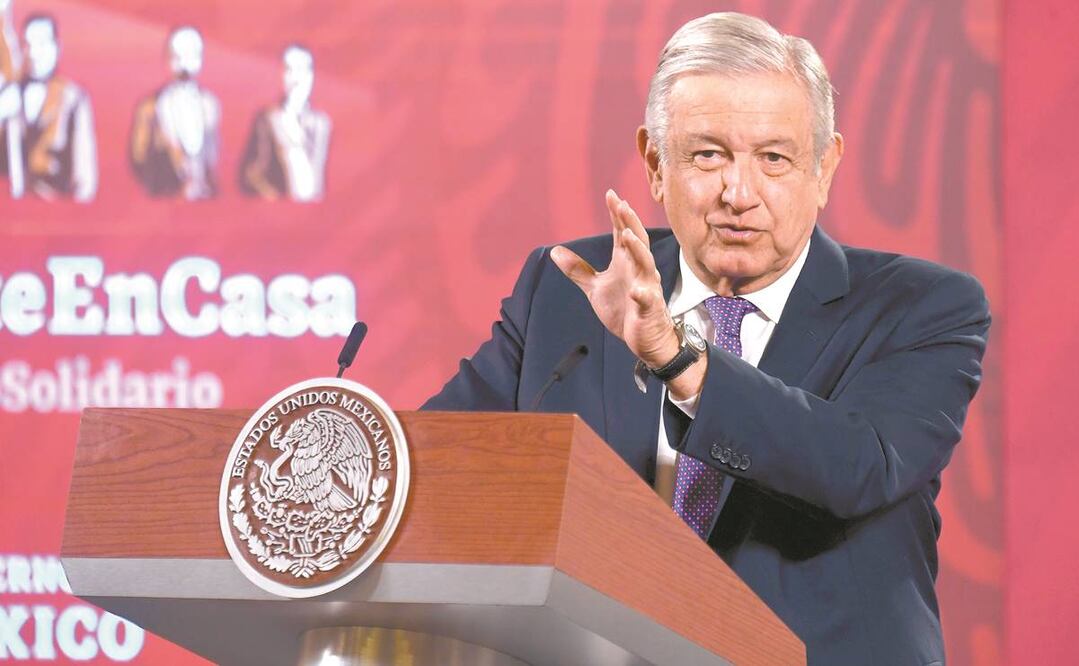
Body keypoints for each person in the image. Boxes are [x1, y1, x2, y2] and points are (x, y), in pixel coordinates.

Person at [424, 12, 990, 666]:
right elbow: (442, 464)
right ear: (655, 164)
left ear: (824, 166)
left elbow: (857, 467)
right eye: (707, 154)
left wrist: (678, 361)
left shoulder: (919, 306)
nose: (737, 193)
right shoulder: (569, 290)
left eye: (773, 158)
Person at [0, 12, 97, 201]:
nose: (34, 54)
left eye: (42, 44)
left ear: (57, 48)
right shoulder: (9, 96)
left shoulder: (73, 99)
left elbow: (84, 177)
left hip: (55, 212)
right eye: (27, 45)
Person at [129, 26, 220, 200]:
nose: (184, 65)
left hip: (204, 202)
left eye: (191, 56)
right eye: (178, 57)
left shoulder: (209, 104)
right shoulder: (149, 107)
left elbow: (212, 155)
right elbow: (138, 157)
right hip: (165, 199)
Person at [238, 44, 331, 202]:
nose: (296, 78)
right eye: (289, 70)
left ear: (311, 75)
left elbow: (319, 175)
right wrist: (273, 198)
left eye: (302, 69)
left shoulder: (321, 123)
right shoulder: (268, 118)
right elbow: (250, 174)